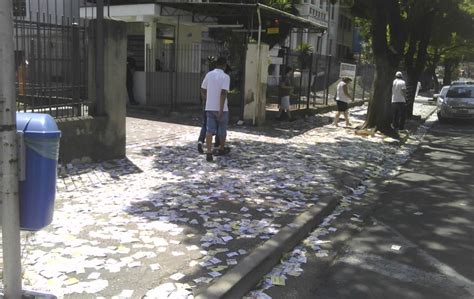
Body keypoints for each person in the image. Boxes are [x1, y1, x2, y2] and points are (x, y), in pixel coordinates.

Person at [201, 57, 231, 162]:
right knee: (222, 129)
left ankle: (209, 152)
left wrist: (207, 100)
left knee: (209, 130)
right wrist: (221, 109)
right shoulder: (225, 77)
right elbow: (223, 93)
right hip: (222, 108)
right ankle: (221, 148)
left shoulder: (208, 75)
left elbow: (203, 89)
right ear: (224, 65)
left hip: (209, 107)